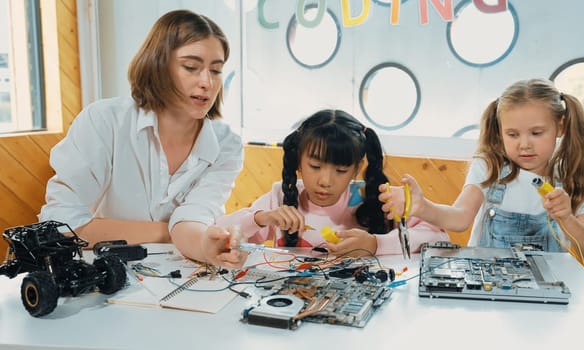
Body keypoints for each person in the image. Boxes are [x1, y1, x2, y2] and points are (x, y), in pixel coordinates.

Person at [38, 9, 245, 268]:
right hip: (101, 276)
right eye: (191, 67)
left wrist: (206, 245)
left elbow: (195, 215)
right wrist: (174, 232)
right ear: (158, 66)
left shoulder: (227, 145)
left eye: (216, 71)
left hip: (176, 274)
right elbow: (63, 226)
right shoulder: (104, 120)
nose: (207, 82)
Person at [380, 78, 584, 268]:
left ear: (561, 126)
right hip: (487, 289)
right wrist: (422, 207)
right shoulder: (490, 167)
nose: (524, 144)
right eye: (512, 134)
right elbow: (459, 218)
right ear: (499, 132)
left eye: (537, 133)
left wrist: (567, 218)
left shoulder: (572, 177)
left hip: (549, 296)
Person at [216, 109, 448, 257]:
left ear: (356, 168)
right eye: (315, 167)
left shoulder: (374, 198)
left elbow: (439, 237)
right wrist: (259, 219)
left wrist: (375, 244)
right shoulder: (281, 197)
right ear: (298, 162)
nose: (325, 181)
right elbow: (219, 234)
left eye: (340, 170)